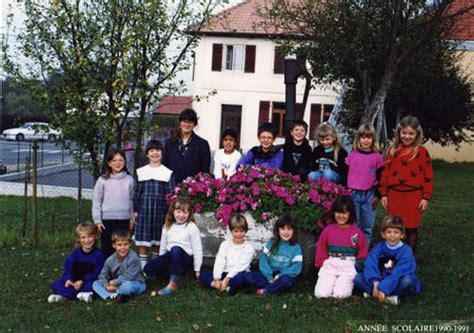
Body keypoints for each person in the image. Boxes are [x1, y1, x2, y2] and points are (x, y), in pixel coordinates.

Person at [379, 116, 434, 252]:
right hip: (394, 195)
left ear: (417, 134)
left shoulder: (421, 152)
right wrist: (384, 193)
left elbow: (428, 177)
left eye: (411, 133)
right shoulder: (392, 151)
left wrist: (425, 197)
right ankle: (392, 257)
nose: (407, 136)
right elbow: (385, 174)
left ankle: (409, 259)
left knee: (411, 228)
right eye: (404, 133)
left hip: (413, 196)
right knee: (393, 228)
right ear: (399, 132)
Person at [354, 215, 421, 305]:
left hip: (396, 279)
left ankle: (379, 294)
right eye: (388, 232)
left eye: (396, 232)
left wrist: (384, 288)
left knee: (408, 281)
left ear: (402, 235)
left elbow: (400, 271)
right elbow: (370, 263)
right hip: (380, 279)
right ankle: (389, 298)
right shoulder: (379, 247)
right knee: (358, 278)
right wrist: (375, 282)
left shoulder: (406, 251)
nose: (392, 235)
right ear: (383, 234)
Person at [144, 198, 203, 296]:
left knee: (175, 249)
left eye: (185, 212)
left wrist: (197, 269)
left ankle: (173, 284)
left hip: (185, 258)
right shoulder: (168, 226)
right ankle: (170, 274)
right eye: (178, 212)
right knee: (148, 269)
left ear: (189, 214)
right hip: (170, 256)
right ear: (173, 211)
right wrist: (161, 260)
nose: (181, 215)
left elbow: (198, 250)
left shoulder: (191, 227)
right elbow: (163, 245)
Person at [314, 196, 368, 298]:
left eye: (344, 213)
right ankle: (330, 284)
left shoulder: (357, 232)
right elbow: (321, 249)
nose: (341, 216)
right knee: (321, 294)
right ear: (334, 213)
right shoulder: (328, 230)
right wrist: (323, 262)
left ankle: (342, 285)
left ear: (350, 214)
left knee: (340, 294)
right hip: (331, 264)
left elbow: (363, 251)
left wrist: (358, 265)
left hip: (348, 265)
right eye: (338, 212)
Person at [133, 139, 175, 269]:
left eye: (157, 150)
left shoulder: (167, 173)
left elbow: (171, 195)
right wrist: (135, 210)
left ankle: (155, 268)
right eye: (151, 151)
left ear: (162, 153)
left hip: (160, 211)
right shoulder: (141, 172)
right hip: (144, 210)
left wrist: (170, 212)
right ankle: (143, 269)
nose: (154, 153)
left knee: (158, 240)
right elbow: (137, 193)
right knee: (144, 242)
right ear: (147, 154)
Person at [345, 124, 384, 246]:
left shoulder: (377, 157)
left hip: (369, 195)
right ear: (358, 139)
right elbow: (345, 173)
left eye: (369, 137)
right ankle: (353, 249)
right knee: (354, 225)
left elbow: (380, 178)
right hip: (353, 194)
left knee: (367, 226)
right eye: (363, 137)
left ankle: (363, 252)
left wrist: (377, 195)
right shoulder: (352, 155)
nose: (366, 140)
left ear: (373, 139)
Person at [92, 148, 134, 258]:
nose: (117, 163)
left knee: (122, 248)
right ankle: (107, 272)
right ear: (109, 163)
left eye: (120, 160)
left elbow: (132, 200)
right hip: (106, 221)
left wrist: (132, 218)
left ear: (124, 162)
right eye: (114, 160)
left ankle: (122, 272)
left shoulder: (130, 180)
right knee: (107, 248)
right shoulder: (102, 180)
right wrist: (97, 220)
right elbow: (96, 201)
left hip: (124, 220)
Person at [48, 222, 104, 303]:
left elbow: (98, 273)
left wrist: (82, 281)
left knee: (95, 285)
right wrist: (68, 280)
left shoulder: (99, 255)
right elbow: (67, 271)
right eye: (83, 237)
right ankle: (80, 295)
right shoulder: (74, 255)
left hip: (86, 282)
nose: (87, 240)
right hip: (74, 283)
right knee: (56, 284)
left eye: (90, 236)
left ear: (95, 236)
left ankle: (65, 296)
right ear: (79, 239)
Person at [246, 214, 302, 295]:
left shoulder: (296, 247)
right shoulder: (271, 243)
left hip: (284, 275)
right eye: (283, 229)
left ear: (294, 230)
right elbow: (263, 259)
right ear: (278, 230)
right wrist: (269, 277)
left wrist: (280, 275)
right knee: (249, 276)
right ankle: (274, 287)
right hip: (269, 274)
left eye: (289, 229)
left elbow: (296, 267)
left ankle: (266, 290)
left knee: (287, 282)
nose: (286, 232)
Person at [200, 214, 255, 295]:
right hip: (225, 271)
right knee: (203, 275)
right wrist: (216, 278)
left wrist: (227, 279)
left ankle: (225, 285)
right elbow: (220, 260)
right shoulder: (225, 244)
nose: (239, 234)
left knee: (241, 280)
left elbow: (240, 266)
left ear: (246, 231)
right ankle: (222, 286)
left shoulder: (248, 248)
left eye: (241, 231)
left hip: (238, 273)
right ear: (231, 231)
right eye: (236, 231)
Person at [92, 230, 146, 302]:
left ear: (130, 244)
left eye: (125, 244)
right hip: (116, 284)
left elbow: (129, 277)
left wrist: (113, 283)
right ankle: (111, 296)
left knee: (127, 285)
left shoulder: (134, 258)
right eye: (119, 245)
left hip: (135, 282)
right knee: (95, 283)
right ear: (114, 245)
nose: (123, 248)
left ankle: (114, 293)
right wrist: (106, 286)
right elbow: (103, 275)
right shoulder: (110, 260)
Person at [163, 108, 211, 184]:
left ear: (195, 124)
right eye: (184, 121)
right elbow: (164, 166)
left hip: (193, 190)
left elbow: (205, 171)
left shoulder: (202, 144)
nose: (187, 125)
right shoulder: (169, 143)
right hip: (171, 187)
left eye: (190, 122)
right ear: (180, 122)